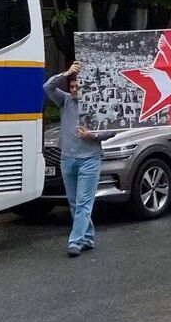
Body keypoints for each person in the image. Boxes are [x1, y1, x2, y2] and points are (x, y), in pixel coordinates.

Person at [44, 61, 117, 257]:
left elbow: (113, 129)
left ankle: (75, 242)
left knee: (84, 201)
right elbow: (47, 87)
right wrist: (66, 72)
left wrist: (94, 136)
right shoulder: (65, 101)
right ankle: (88, 238)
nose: (75, 90)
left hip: (90, 159)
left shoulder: (96, 105)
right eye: (72, 87)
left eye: (78, 87)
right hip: (67, 158)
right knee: (75, 202)